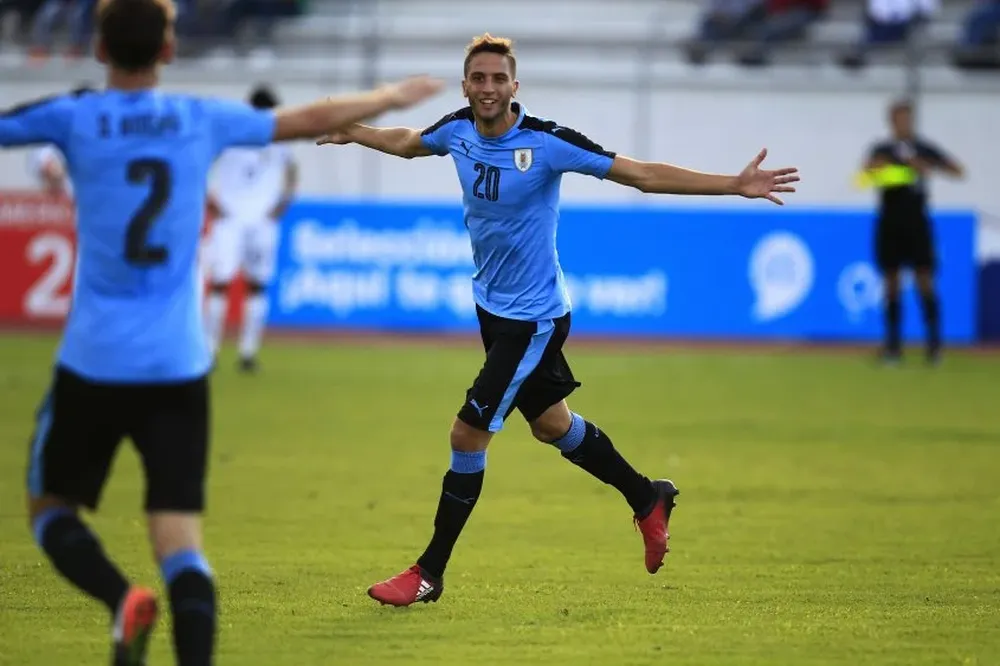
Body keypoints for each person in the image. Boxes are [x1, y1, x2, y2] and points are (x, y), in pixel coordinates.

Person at [1, 0, 443, 664]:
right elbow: (307, 120)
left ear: (97, 47)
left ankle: (121, 599)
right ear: (169, 51)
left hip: (95, 357)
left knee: (50, 510)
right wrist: (389, 94)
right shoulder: (198, 118)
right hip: (178, 364)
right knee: (181, 545)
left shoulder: (74, 116)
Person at [317, 33, 799, 608]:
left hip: (534, 319)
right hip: (492, 310)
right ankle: (647, 496)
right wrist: (355, 133)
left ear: (514, 86)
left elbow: (639, 173)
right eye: (479, 79)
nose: (489, 88)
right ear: (466, 85)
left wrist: (733, 185)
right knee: (551, 426)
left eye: (499, 79)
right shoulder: (457, 129)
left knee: (467, 433)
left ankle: (429, 571)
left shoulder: (548, 143)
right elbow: (407, 143)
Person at [861, 99, 964, 364]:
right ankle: (893, 347)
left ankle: (934, 346)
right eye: (899, 118)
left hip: (917, 222)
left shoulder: (923, 148)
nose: (904, 123)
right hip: (890, 223)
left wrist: (927, 166)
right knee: (891, 283)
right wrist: (877, 168)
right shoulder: (882, 149)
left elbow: (957, 170)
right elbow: (865, 174)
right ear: (891, 121)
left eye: (908, 118)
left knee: (924, 280)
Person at [203, 84, 297, 373]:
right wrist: (283, 203)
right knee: (255, 288)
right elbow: (293, 173)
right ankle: (246, 354)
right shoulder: (278, 136)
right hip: (257, 220)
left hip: (231, 218)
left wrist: (209, 198)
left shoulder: (230, 135)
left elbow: (202, 163)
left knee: (222, 286)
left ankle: (211, 352)